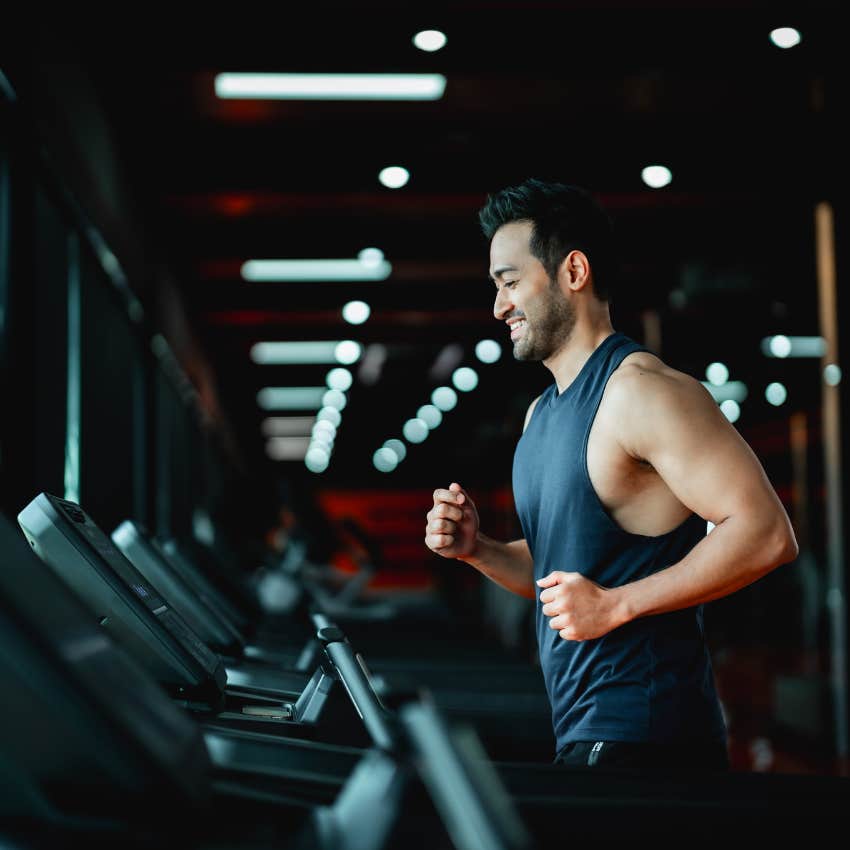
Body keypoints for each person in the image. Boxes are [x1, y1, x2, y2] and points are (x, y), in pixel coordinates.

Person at [424, 178, 799, 771]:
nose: (498, 306)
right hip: (581, 728)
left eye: (511, 282)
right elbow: (565, 576)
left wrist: (618, 605)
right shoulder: (540, 415)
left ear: (573, 271)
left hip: (649, 733)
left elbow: (766, 533)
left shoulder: (642, 393)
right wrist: (481, 551)